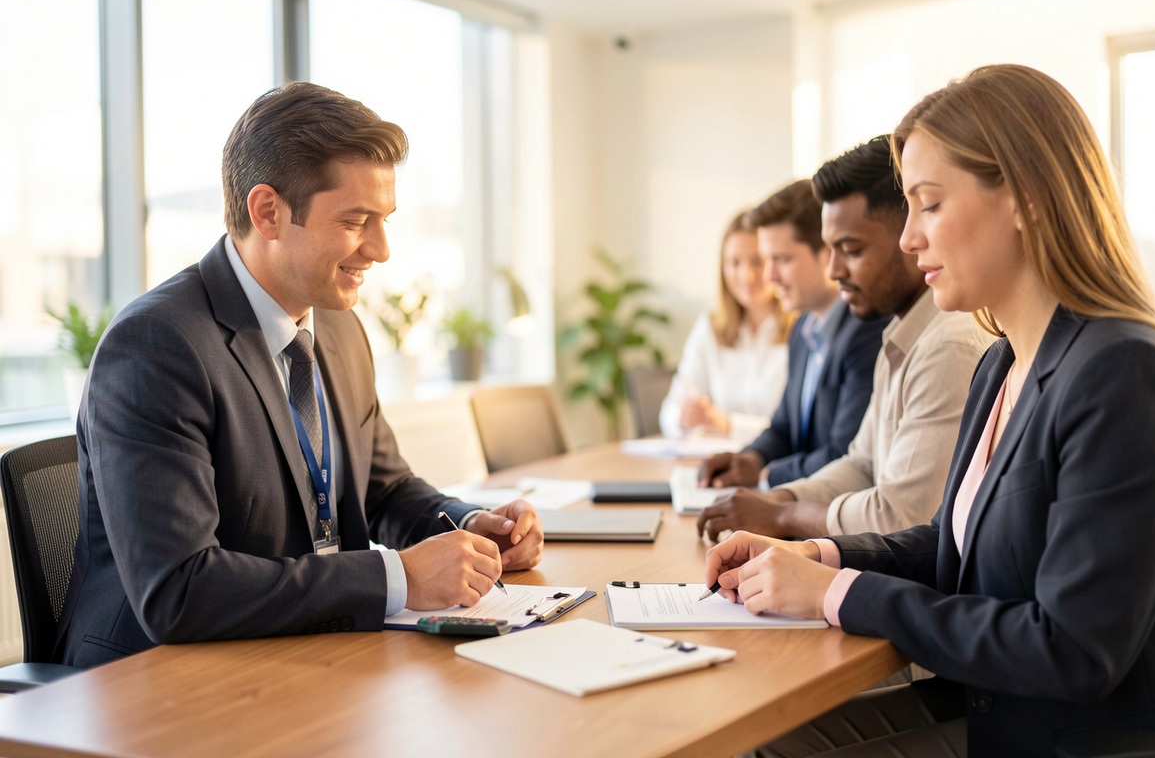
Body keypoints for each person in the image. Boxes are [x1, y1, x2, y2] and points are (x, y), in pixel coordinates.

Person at [707, 64, 1155, 757]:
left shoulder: (1125, 371)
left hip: (1080, 738)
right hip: (995, 706)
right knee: (763, 740)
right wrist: (812, 554)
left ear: (1026, 198)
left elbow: (1073, 651)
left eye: (929, 205)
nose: (909, 238)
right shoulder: (1002, 361)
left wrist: (835, 591)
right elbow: (951, 546)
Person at [55, 82, 544, 669]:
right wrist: (398, 576)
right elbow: (179, 590)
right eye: (357, 221)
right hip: (158, 678)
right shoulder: (156, 347)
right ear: (268, 212)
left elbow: (383, 490)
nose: (381, 250)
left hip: (309, 651)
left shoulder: (339, 328)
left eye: (385, 221)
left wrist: (469, 527)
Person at [697, 136, 992, 542]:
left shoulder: (946, 347)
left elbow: (901, 515)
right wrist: (777, 500)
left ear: (910, 237)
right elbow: (861, 465)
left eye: (850, 250)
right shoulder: (901, 335)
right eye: (831, 249)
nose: (834, 270)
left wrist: (784, 515)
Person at [699, 180, 887, 489]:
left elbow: (845, 458)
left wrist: (766, 476)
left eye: (782, 260)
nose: (769, 276)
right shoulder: (802, 329)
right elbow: (784, 428)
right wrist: (748, 460)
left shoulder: (866, 331)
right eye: (768, 259)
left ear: (827, 254)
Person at [658, 211, 791, 444]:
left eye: (757, 261)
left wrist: (730, 425)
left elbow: (796, 431)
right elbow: (669, 412)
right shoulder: (710, 327)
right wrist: (684, 417)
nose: (747, 276)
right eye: (735, 263)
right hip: (718, 458)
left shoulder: (801, 329)